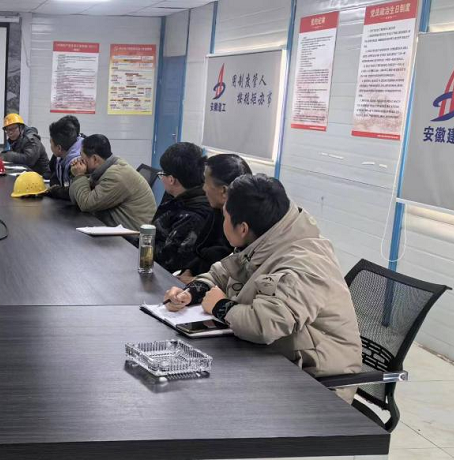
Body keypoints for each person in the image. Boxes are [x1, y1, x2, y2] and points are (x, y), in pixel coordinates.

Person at [163, 174, 362, 403]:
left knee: (202, 398)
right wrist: (192, 292)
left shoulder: (303, 264)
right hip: (276, 359)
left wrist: (219, 306)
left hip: (316, 383)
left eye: (225, 216)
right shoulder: (268, 238)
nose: (222, 221)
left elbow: (265, 324)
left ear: (243, 228)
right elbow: (222, 272)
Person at [178, 153, 252, 283]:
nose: (203, 188)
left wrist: (196, 282)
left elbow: (236, 277)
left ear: (224, 191)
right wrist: (189, 269)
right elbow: (201, 251)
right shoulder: (216, 210)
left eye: (206, 183)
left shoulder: (244, 228)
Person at [68, 134, 157, 231]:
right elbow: (77, 200)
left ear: (95, 159)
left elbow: (86, 204)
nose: (80, 161)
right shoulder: (103, 170)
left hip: (131, 236)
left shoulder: (116, 175)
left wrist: (79, 175)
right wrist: (78, 176)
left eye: (82, 157)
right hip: (117, 228)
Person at [151, 142, 215, 274]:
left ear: (171, 180)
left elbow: (168, 261)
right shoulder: (175, 195)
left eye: (162, 173)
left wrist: (142, 243)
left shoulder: (193, 216)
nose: (161, 178)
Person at [45, 115, 84, 200]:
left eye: (51, 143)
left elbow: (74, 193)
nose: (50, 146)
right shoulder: (61, 155)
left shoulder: (78, 163)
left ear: (59, 148)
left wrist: (55, 191)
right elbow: (54, 176)